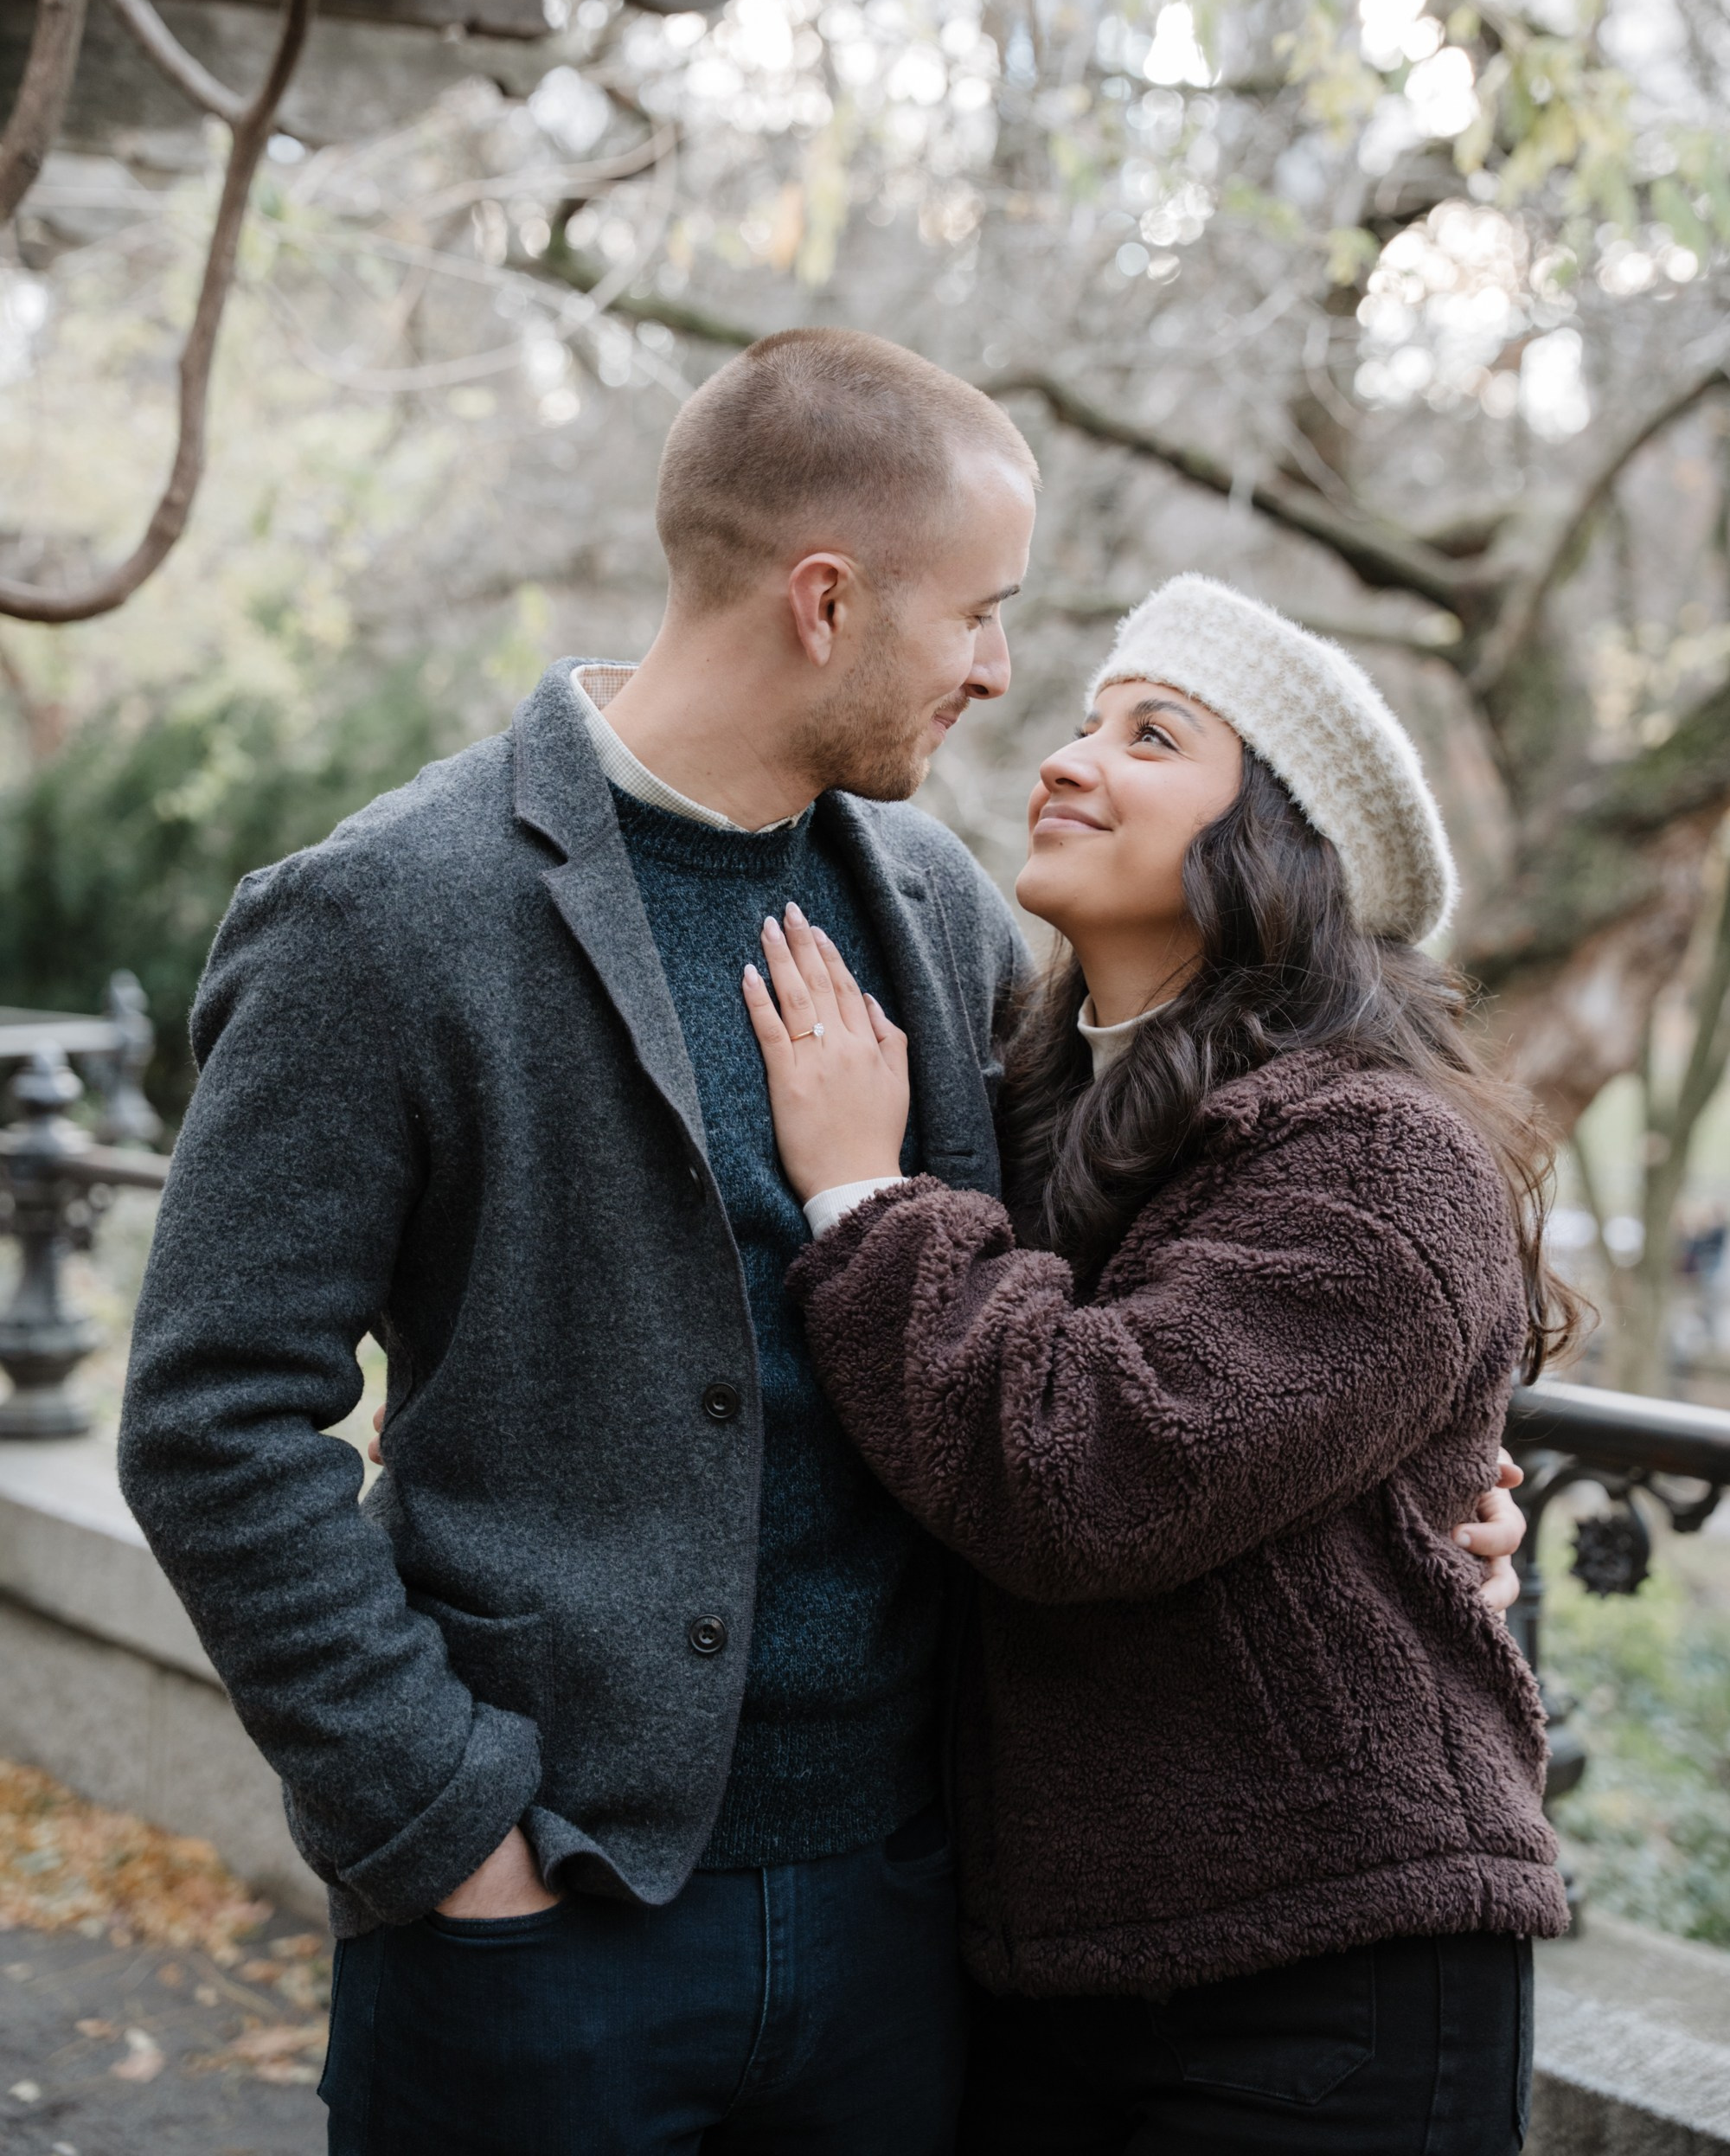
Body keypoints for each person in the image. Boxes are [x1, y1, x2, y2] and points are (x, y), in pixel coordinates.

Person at [118, 339, 1526, 2156]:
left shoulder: (934, 907)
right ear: (825, 601)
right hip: (548, 1915)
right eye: (982, 615)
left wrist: (1421, 1501)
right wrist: (442, 1825)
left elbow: (1128, 1302)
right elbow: (212, 1416)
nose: (1002, 677)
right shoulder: (385, 917)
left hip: (910, 1925)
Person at [742, 573, 1573, 2156]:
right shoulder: (1017, 1114)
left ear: (1275, 844)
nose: (1068, 756)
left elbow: (1088, 1472)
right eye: (1081, 719)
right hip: (1046, 1962)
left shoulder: (1381, 1155)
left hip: (1327, 1969)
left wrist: (860, 1194)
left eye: (1151, 733)